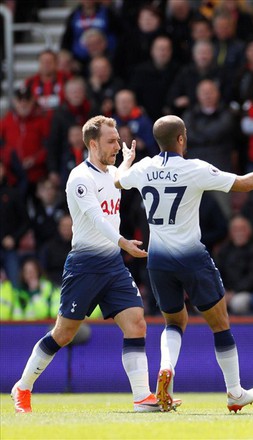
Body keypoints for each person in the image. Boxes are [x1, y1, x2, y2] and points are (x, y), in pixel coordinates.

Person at [115, 115, 253, 412]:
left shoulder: (143, 168)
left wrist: (127, 159)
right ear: (181, 138)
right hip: (192, 259)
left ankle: (166, 367)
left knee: (173, 322)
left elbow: (117, 180)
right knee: (220, 323)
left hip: (158, 261)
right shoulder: (194, 169)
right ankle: (234, 392)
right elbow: (242, 184)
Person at [11, 116, 157, 414]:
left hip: (113, 265)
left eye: (118, 140)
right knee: (63, 333)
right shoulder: (80, 178)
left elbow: (117, 180)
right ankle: (23, 386)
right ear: (92, 143)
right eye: (111, 141)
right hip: (85, 265)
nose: (117, 145)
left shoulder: (112, 171)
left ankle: (142, 397)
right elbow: (96, 218)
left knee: (136, 323)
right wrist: (124, 243)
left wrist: (128, 161)